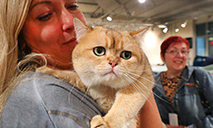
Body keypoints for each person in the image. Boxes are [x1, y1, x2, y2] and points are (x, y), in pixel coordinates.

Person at [0, 0, 164, 127]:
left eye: (72, 6)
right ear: (19, 37)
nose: (70, 21)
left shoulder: (78, 78)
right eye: (45, 15)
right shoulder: (45, 95)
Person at [153, 36, 213, 128]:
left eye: (184, 51)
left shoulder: (200, 76)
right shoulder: (154, 83)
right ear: (162, 56)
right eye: (173, 51)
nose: (180, 55)